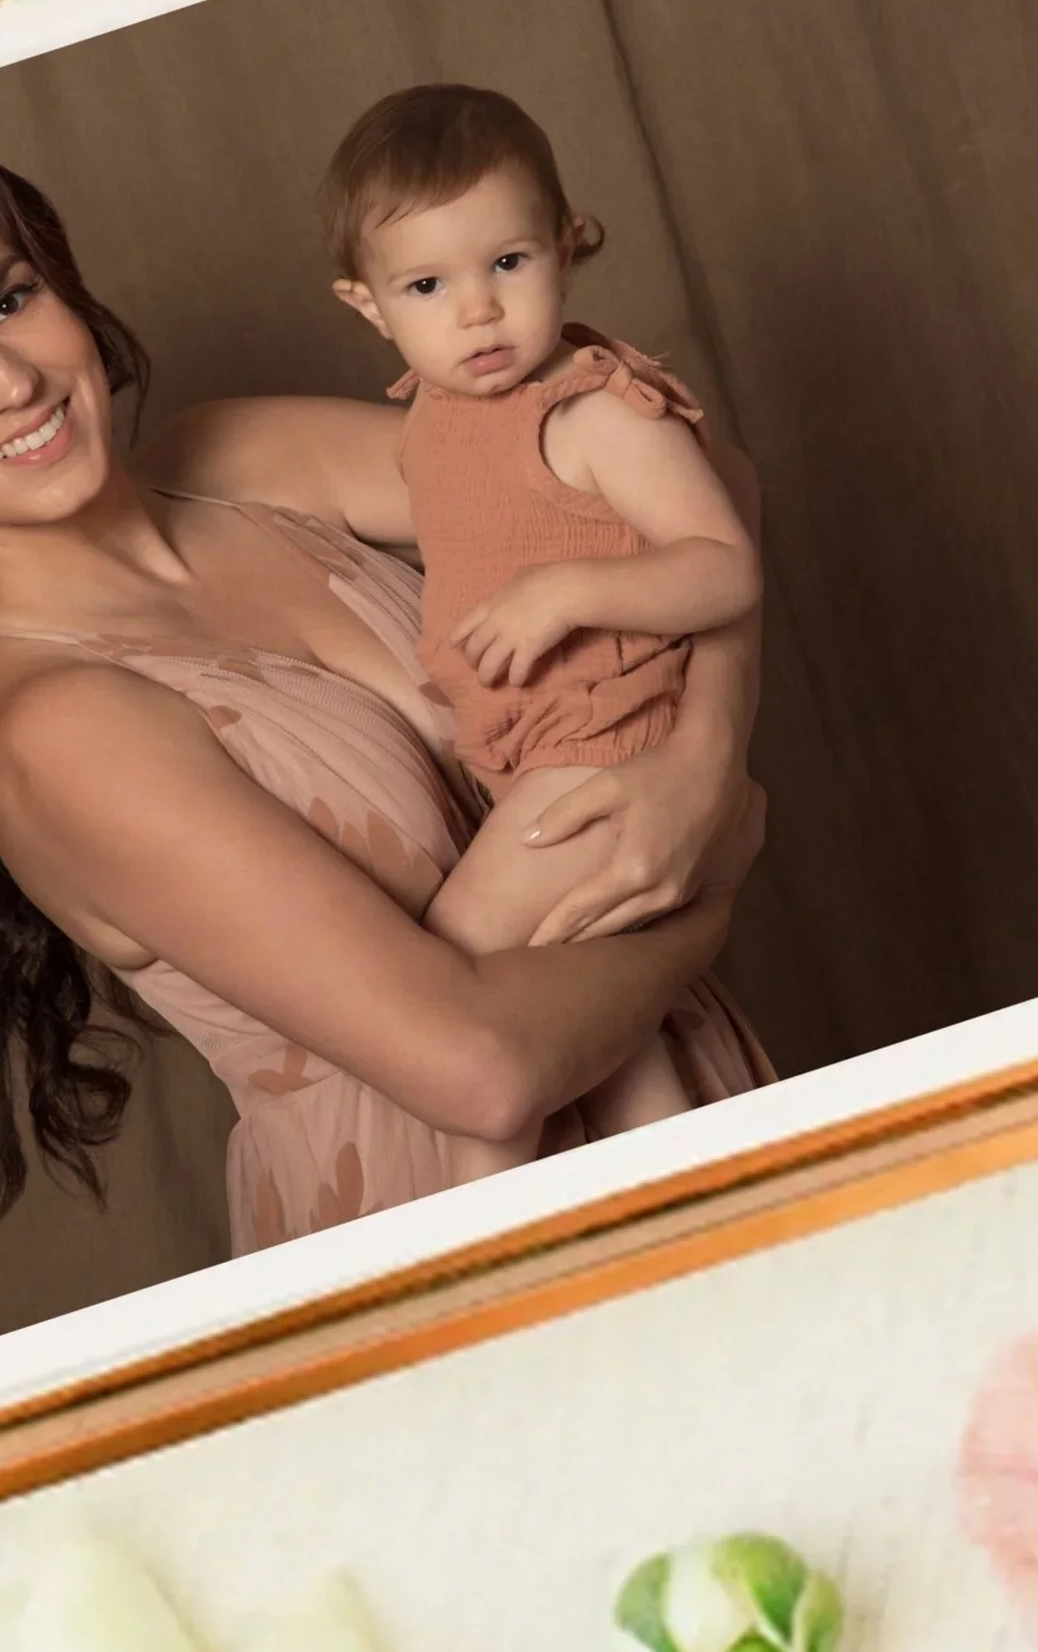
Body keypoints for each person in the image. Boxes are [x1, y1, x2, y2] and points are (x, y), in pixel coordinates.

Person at [0, 139, 769, 1266]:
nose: (8, 382)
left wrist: (702, 762)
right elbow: (484, 1073)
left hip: (686, 1101)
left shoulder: (240, 457)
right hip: (437, 1230)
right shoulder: (56, 730)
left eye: (10, 301)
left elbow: (693, 488)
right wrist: (709, 893)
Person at [319, 84, 765, 1183]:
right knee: (611, 1057)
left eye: (507, 265)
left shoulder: (594, 410)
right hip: (534, 776)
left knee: (460, 1021)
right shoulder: (432, 422)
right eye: (428, 285)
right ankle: (698, 1218)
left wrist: (569, 591)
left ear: (570, 247)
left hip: (600, 770)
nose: (476, 311)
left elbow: (725, 566)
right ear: (369, 306)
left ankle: (493, 1255)